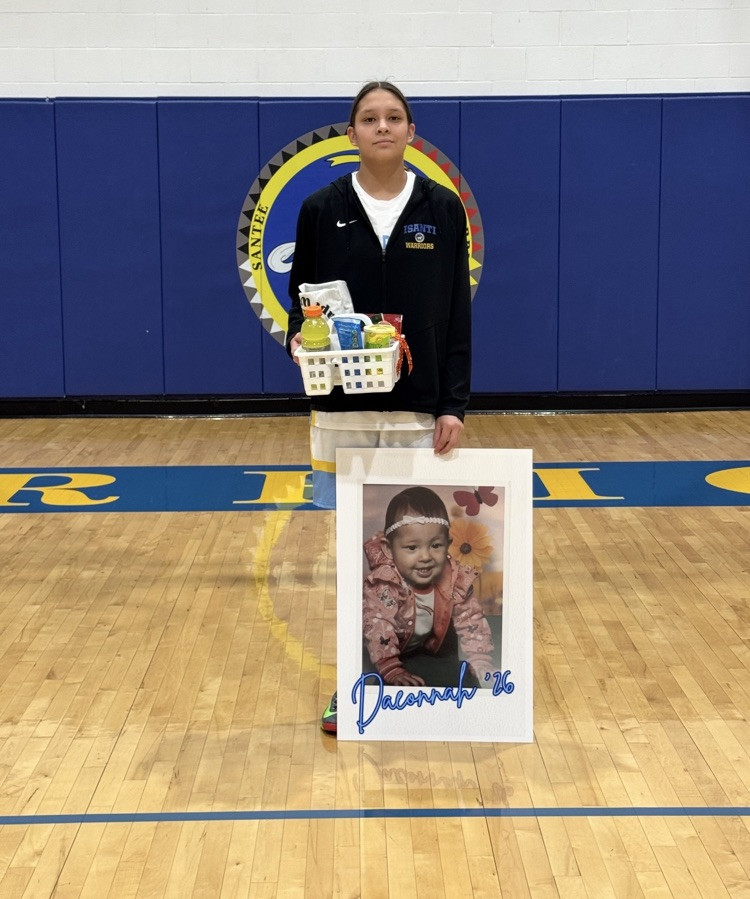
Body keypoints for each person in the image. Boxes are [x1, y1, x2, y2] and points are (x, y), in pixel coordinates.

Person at [285, 81, 473, 732]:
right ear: (352, 133)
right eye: (370, 118)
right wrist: (299, 345)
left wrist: (453, 402)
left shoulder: (443, 209)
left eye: (394, 117)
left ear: (412, 132)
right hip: (342, 411)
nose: (383, 127)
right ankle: (354, 681)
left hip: (418, 411)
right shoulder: (319, 208)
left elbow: (456, 318)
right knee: (354, 559)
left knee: (420, 562)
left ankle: (425, 678)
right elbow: (299, 305)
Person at [362, 486, 494, 688]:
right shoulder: (385, 584)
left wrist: (480, 660)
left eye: (435, 545)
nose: (425, 557)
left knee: (454, 672)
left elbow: (471, 619)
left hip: (426, 648)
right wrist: (390, 667)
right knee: (368, 675)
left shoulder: (453, 578)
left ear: (448, 544)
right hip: (381, 648)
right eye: (412, 547)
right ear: (389, 549)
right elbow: (378, 624)